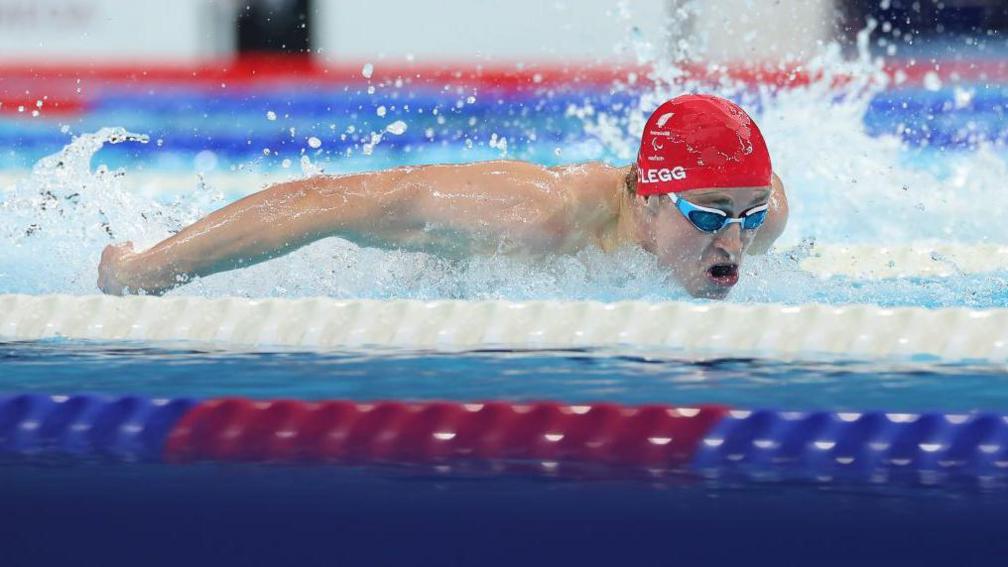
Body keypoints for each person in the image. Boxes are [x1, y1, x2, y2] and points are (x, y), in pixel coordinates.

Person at [98, 93, 788, 299]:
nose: (733, 242)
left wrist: (740, 207)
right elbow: (323, 200)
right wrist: (145, 270)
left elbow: (741, 194)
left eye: (746, 217)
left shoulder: (763, 212)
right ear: (646, 201)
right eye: (707, 215)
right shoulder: (537, 216)